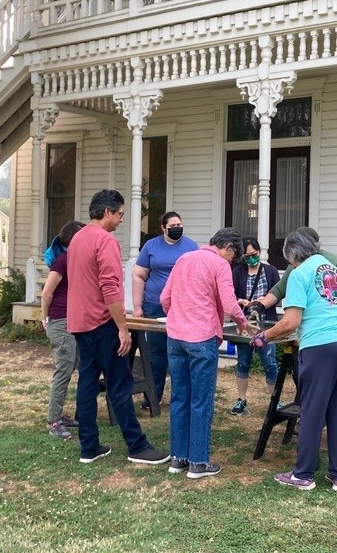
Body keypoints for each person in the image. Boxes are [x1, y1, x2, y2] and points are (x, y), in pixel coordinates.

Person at [250, 230, 337, 491]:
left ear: (291, 255)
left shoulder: (298, 274)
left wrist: (264, 336)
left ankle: (303, 475)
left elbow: (291, 322)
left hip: (322, 347)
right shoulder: (332, 269)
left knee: (312, 411)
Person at [67, 189, 169, 465]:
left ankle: (89, 447)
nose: (121, 220)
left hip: (79, 322)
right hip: (102, 323)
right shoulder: (105, 241)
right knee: (120, 384)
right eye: (120, 214)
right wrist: (122, 328)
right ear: (107, 212)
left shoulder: (77, 239)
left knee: (87, 383)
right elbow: (110, 288)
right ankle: (137, 446)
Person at [160, 227, 257, 479]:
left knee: (179, 398)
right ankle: (199, 463)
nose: (233, 261)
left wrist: (179, 317)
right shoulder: (219, 264)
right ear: (229, 248)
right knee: (201, 400)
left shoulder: (184, 258)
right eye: (234, 256)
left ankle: (178, 459)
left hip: (175, 337)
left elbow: (165, 298)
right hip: (202, 337)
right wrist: (243, 322)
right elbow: (228, 302)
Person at [132, 211, 198, 406]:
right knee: (157, 354)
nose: (177, 228)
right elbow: (139, 275)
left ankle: (181, 397)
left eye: (180, 224)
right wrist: (137, 307)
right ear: (163, 228)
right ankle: (152, 397)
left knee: (181, 353)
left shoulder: (191, 247)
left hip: (182, 307)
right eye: (173, 226)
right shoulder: (151, 246)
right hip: (154, 305)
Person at [41, 220, 85, 440]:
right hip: (60, 322)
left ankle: (59, 415)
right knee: (63, 372)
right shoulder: (63, 260)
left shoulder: (74, 260)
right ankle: (54, 422)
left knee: (69, 370)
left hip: (72, 321)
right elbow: (47, 293)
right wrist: (45, 319)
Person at [230, 236, 280, 415]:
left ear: (259, 252)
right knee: (243, 362)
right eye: (248, 255)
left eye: (254, 254)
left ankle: (274, 401)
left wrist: (264, 301)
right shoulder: (238, 272)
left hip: (267, 322)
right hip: (245, 323)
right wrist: (241, 301)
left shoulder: (271, 270)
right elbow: (231, 294)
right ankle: (241, 399)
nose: (251, 257)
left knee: (270, 364)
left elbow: (278, 293)